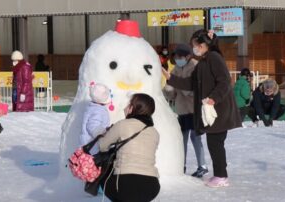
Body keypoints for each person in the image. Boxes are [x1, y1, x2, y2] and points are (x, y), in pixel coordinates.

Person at [162, 30, 242, 188]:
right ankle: (220, 174)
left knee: (215, 143)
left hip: (218, 109)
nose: (194, 49)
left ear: (203, 45)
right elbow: (191, 83)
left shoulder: (213, 57)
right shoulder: (204, 60)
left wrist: (214, 98)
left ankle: (221, 176)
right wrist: (171, 78)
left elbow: (225, 81)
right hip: (211, 108)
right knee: (215, 143)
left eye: (195, 45)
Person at [99, 93, 160, 202]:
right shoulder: (154, 132)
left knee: (104, 176)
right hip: (151, 185)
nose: (125, 107)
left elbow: (102, 146)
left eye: (128, 104)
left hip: (124, 184)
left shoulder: (122, 124)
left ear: (132, 108)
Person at [163, 44, 208, 178]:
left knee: (196, 137)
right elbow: (171, 89)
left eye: (179, 56)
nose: (177, 59)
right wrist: (167, 90)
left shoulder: (196, 66)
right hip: (182, 109)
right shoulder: (176, 68)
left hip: (195, 109)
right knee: (181, 138)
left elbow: (194, 89)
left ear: (188, 56)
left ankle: (202, 165)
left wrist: (178, 86)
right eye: (176, 57)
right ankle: (180, 165)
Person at [79, 83, 111, 154]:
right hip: (92, 146)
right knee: (92, 164)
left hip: (88, 144)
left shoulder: (92, 107)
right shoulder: (98, 110)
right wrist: (103, 133)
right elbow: (92, 125)